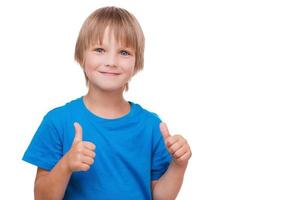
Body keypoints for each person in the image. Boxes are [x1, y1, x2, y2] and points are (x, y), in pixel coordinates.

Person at [23, 6, 192, 200]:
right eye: (100, 50)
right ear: (81, 55)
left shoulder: (151, 125)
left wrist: (179, 165)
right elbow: (42, 197)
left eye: (124, 52)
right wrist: (66, 164)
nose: (111, 61)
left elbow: (161, 197)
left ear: (137, 63)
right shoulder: (57, 121)